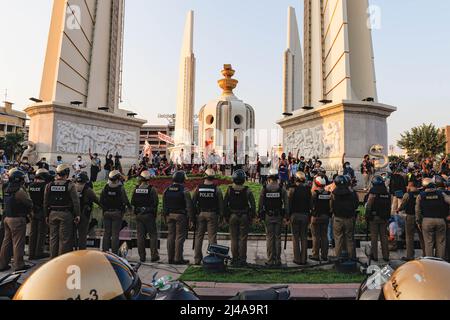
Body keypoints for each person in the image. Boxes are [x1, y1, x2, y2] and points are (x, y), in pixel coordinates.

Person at [44, 164, 81, 259]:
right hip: (65, 214)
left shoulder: (49, 185)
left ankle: (52, 260)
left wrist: (46, 215)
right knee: (64, 239)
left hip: (52, 213)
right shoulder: (70, 185)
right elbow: (76, 202)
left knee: (53, 238)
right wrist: (77, 215)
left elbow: (45, 202)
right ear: (67, 174)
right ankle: (61, 261)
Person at [0, 171, 33, 271]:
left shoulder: (6, 188)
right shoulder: (19, 190)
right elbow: (29, 203)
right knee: (18, 243)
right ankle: (19, 265)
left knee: (6, 242)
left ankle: (2, 264)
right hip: (17, 219)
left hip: (7, 218)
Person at [223, 169, 256, 266]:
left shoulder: (229, 190)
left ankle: (234, 258)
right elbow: (253, 205)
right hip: (244, 216)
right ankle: (242, 259)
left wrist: (225, 216)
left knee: (233, 238)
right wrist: (252, 216)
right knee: (243, 239)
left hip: (233, 216)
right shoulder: (247, 190)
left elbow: (225, 204)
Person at [191, 169, 224, 265]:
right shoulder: (216, 189)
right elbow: (221, 204)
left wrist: (192, 217)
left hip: (201, 214)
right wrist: (221, 216)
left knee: (199, 237)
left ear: (204, 177)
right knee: (212, 237)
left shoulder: (198, 188)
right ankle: (213, 259)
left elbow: (193, 203)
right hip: (212, 214)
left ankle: (197, 259)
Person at [258, 169, 289, 267]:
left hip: (268, 216)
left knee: (270, 238)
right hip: (278, 216)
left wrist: (259, 214)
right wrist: (286, 216)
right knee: (278, 238)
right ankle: (278, 260)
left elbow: (260, 203)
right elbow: (286, 203)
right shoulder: (281, 188)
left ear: (269, 177)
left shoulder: (265, 188)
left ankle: (270, 260)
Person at [163, 171, 194, 265]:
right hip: (181, 216)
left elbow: (164, 204)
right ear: (182, 179)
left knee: (171, 236)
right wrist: (191, 219)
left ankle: (170, 258)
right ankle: (178, 258)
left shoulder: (167, 190)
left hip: (169, 215)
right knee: (180, 237)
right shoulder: (185, 190)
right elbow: (189, 206)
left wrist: (165, 216)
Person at [100, 170, 131, 255]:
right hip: (117, 213)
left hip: (106, 213)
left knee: (106, 233)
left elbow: (101, 200)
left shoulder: (106, 187)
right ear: (118, 178)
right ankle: (114, 253)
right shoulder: (120, 188)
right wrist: (129, 208)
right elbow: (125, 200)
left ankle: (104, 251)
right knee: (115, 234)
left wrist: (104, 209)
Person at [131, 171, 159, 263]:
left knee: (140, 236)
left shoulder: (136, 189)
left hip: (139, 215)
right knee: (153, 235)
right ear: (148, 179)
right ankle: (154, 255)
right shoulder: (152, 189)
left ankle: (142, 256)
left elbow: (133, 202)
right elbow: (155, 203)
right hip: (149, 215)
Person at [416, 178, 448, 258]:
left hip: (427, 220)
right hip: (440, 220)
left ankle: (430, 262)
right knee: (440, 243)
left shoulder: (421, 195)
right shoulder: (441, 194)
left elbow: (417, 210)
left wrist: (418, 221)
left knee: (428, 243)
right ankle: (440, 262)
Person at [330, 175, 359, 259]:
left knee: (338, 239)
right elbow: (356, 204)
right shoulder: (352, 193)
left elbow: (331, 206)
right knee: (349, 239)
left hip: (338, 218)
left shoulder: (334, 193)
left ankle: (338, 259)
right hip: (349, 218)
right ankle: (352, 258)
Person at [365, 176, 391, 262]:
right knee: (384, 237)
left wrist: (367, 215)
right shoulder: (386, 192)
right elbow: (389, 206)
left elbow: (369, 205)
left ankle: (374, 256)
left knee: (374, 237)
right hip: (384, 217)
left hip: (374, 217)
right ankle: (386, 256)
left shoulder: (373, 192)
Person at [287, 172, 311, 265]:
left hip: (295, 215)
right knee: (304, 237)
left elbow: (289, 203)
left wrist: (288, 216)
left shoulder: (292, 189)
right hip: (305, 215)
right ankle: (304, 259)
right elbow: (311, 203)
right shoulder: (308, 189)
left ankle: (297, 258)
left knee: (295, 237)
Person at [74, 172, 101, 250]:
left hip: (73, 214)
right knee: (82, 235)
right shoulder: (88, 190)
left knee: (72, 234)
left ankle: (72, 252)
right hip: (84, 215)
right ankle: (81, 252)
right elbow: (97, 201)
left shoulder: (72, 188)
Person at [28, 169, 52, 260]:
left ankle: (31, 253)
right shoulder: (45, 186)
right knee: (41, 233)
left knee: (33, 233)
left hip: (33, 211)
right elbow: (46, 200)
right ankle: (39, 252)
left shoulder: (31, 186)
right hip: (42, 211)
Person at [397, 181, 424, 261]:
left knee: (409, 237)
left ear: (410, 186)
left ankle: (410, 256)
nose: (407, 187)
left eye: (408, 186)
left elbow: (403, 205)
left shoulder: (407, 194)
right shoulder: (421, 194)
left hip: (410, 216)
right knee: (422, 237)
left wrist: (398, 209)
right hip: (420, 217)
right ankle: (425, 255)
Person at [310, 176, 331, 262]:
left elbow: (311, 205)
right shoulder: (328, 193)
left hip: (316, 217)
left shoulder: (314, 193)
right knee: (324, 236)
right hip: (325, 217)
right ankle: (324, 255)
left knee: (315, 236)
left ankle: (315, 255)